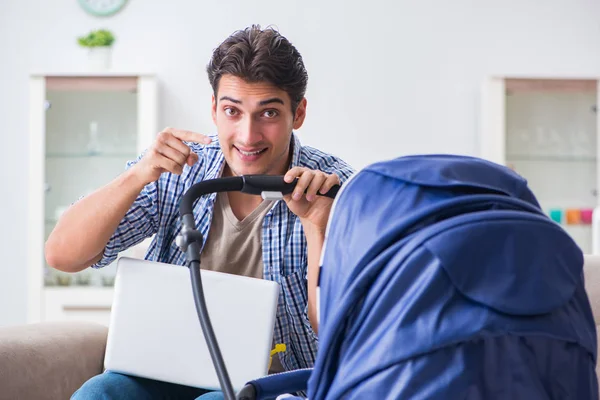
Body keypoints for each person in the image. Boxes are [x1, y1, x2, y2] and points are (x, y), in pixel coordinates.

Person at [45, 24, 355, 399]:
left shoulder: (336, 189)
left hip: (272, 387)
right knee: (100, 394)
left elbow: (336, 328)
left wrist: (315, 227)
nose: (247, 135)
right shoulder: (180, 169)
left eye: (269, 113)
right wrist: (137, 174)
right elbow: (62, 255)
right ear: (213, 109)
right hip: (160, 372)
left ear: (298, 112)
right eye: (232, 111)